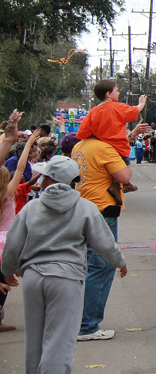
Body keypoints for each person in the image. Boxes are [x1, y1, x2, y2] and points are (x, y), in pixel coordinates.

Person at [1, 155, 126, 372]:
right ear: (72, 180)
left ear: (47, 179)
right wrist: (119, 261)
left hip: (32, 278)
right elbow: (104, 243)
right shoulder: (85, 208)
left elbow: (13, 244)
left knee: (35, 339)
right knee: (59, 341)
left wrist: (7, 270)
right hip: (66, 279)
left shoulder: (32, 208)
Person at [71, 122, 144, 342]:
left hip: (85, 207)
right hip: (103, 210)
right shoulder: (103, 148)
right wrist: (126, 160)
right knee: (101, 267)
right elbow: (124, 176)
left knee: (90, 266)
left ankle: (80, 321)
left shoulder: (80, 146)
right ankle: (87, 326)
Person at [0, 131, 40, 332]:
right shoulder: (8, 194)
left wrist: (7, 139)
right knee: (5, 279)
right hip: (6, 242)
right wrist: (29, 143)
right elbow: (21, 167)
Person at [76, 80, 146, 165]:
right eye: (116, 90)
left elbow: (82, 133)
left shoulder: (93, 112)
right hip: (118, 151)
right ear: (108, 94)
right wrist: (142, 103)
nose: (119, 93)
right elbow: (134, 110)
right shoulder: (117, 108)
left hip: (100, 151)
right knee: (123, 175)